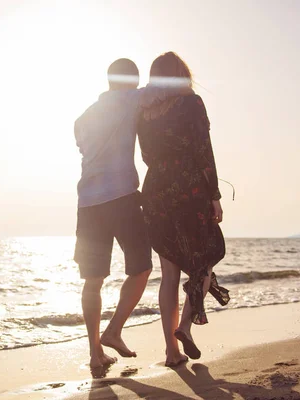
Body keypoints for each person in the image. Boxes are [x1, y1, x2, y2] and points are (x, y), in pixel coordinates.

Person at [137, 52, 230, 367]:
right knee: (206, 257)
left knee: (169, 275)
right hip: (189, 188)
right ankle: (185, 327)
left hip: (155, 190)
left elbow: (146, 155)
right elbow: (204, 150)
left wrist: (163, 171)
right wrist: (214, 193)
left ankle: (170, 352)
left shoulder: (144, 112)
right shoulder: (191, 103)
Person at [73, 58, 154, 374]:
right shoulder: (132, 98)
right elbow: (160, 92)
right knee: (142, 266)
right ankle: (114, 330)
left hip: (88, 204)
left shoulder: (82, 119)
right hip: (121, 196)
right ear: (132, 81)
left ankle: (96, 353)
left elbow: (83, 148)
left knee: (92, 281)